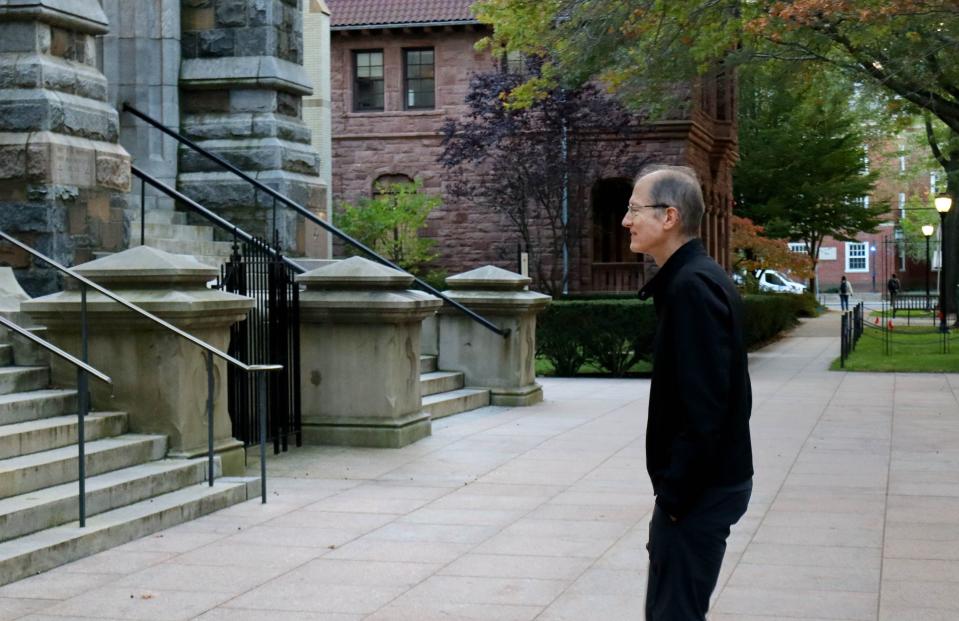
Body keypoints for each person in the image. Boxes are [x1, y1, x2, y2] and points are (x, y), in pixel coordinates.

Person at [623, 165, 753, 621]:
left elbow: (707, 408)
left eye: (635, 209)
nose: (626, 220)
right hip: (707, 486)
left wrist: (676, 497)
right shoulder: (696, 278)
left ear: (670, 216)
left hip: (700, 492)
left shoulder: (691, 286)